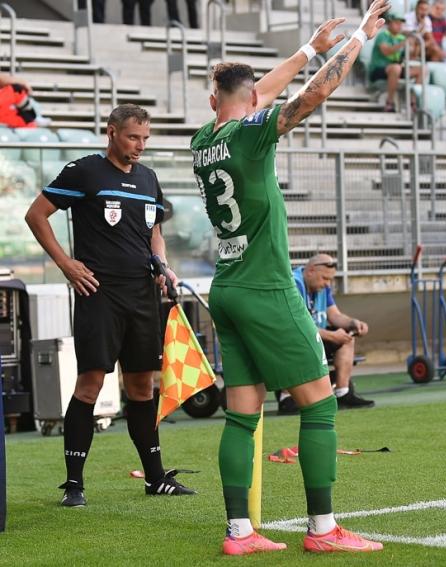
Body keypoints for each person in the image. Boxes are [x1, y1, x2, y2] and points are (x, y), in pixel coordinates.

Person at [190, 1, 389, 555]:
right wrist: (358, 40)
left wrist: (308, 49)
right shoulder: (254, 132)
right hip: (267, 287)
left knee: (242, 413)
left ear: (214, 102)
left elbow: (262, 94)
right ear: (249, 101)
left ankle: (239, 534)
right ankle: (324, 531)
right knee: (321, 405)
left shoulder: (204, 140)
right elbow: (310, 96)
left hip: (225, 289)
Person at [24, 104, 195, 508]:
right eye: (133, 137)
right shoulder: (84, 171)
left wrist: (162, 265)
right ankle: (74, 484)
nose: (140, 146)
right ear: (112, 132)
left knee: (142, 386)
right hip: (98, 292)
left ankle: (155, 479)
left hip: (141, 295)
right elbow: (36, 215)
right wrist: (67, 264)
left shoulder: (149, 178)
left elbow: (154, 229)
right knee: (91, 384)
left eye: (145, 139)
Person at [277, 255, 375, 414]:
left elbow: (334, 315)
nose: (327, 284)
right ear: (310, 271)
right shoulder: (294, 285)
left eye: (330, 279)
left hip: (314, 337)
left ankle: (343, 393)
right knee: (300, 341)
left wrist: (353, 323)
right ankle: (286, 398)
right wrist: (331, 336)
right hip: (292, 339)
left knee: (346, 339)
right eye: (324, 278)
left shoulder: (322, 288)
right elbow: (296, 326)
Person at [369, 13, 422, 112]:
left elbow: (413, 56)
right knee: (396, 68)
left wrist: (416, 44)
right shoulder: (382, 35)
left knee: (422, 70)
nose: (399, 26)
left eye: (400, 24)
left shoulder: (401, 38)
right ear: (389, 23)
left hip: (395, 69)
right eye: (396, 23)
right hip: (378, 69)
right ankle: (389, 102)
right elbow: (386, 51)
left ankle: (413, 102)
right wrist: (403, 43)